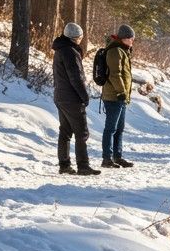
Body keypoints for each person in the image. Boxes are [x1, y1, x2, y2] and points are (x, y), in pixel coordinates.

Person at [51, 22, 100, 175]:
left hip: (60, 95)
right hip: (71, 98)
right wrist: (84, 96)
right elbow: (76, 77)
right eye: (80, 37)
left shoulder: (59, 50)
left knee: (65, 131)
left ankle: (64, 165)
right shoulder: (70, 52)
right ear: (76, 38)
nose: (81, 40)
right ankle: (83, 166)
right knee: (81, 132)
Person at [101, 24, 135, 168]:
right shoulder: (115, 51)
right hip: (114, 96)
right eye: (131, 38)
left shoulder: (123, 51)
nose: (133, 41)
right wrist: (121, 91)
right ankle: (107, 158)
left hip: (121, 97)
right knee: (111, 128)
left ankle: (117, 156)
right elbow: (115, 74)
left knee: (119, 129)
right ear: (125, 38)